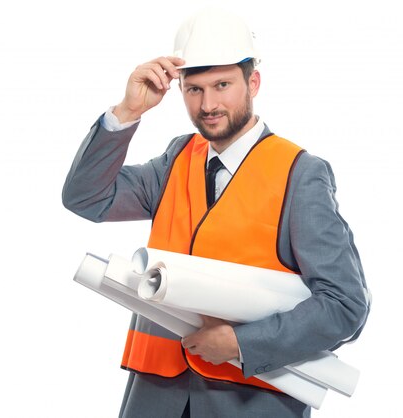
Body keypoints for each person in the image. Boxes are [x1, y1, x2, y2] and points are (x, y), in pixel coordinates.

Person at [62, 7, 370, 418]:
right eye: (194, 89)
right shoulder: (175, 159)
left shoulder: (300, 173)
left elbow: (345, 304)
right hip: (155, 396)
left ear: (253, 82)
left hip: (250, 401)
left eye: (222, 85)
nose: (208, 104)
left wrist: (242, 343)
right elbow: (86, 198)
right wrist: (127, 112)